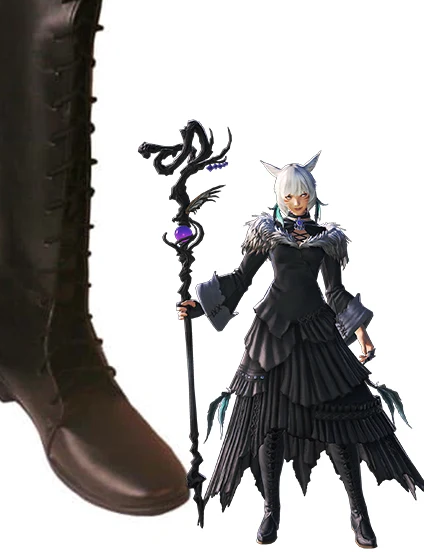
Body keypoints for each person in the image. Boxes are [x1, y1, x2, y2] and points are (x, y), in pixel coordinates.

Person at [177, 153, 421, 548]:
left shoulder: (327, 238)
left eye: (303, 195)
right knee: (268, 424)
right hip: (272, 332)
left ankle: (359, 511)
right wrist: (200, 306)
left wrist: (362, 332)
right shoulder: (268, 234)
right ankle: (270, 510)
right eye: (289, 196)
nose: (296, 202)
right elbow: (241, 278)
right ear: (280, 197)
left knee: (339, 423)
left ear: (312, 195)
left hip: (317, 333)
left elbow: (335, 292)